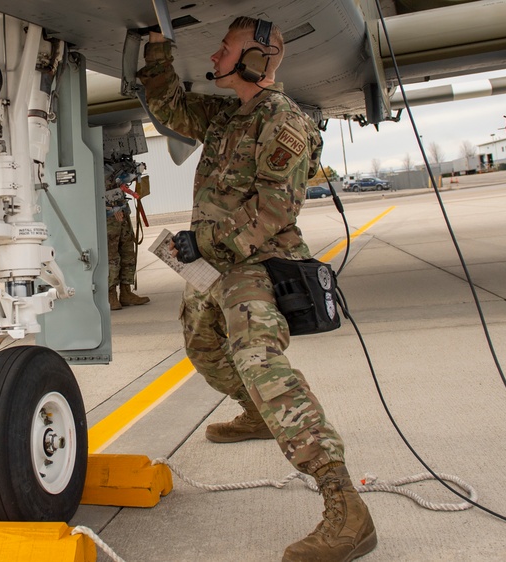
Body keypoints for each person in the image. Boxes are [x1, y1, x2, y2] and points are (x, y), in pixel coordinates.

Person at [138, 17, 377, 561]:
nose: (216, 55)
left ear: (257, 59)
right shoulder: (227, 116)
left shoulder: (283, 121)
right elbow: (170, 107)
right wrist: (156, 48)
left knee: (258, 361)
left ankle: (345, 505)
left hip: (257, 261)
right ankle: (257, 415)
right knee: (202, 347)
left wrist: (206, 243)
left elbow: (275, 209)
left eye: (226, 49)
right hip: (214, 263)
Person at [104, 156, 150, 310]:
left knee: (128, 250)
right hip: (109, 213)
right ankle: (111, 295)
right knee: (112, 256)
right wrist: (112, 204)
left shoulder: (115, 159)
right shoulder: (94, 162)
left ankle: (126, 291)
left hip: (121, 208)